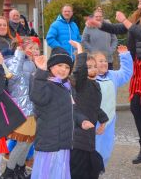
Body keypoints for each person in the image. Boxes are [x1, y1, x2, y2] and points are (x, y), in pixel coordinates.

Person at [86, 0, 141, 173]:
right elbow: (119, 29)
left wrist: (125, 20)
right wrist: (98, 24)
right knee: (135, 106)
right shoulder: (139, 15)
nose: (140, 0)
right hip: (139, 64)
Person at [28, 47, 93, 179]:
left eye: (67, 67)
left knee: (59, 174)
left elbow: (72, 109)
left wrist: (82, 120)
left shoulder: (66, 87)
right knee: (46, 174)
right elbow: (38, 97)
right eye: (59, 65)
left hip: (64, 143)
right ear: (50, 67)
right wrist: (40, 71)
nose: (63, 69)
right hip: (49, 144)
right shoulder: (46, 84)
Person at [68, 41, 108, 179]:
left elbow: (95, 106)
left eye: (95, 66)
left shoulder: (95, 85)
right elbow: (79, 71)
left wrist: (103, 121)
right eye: (89, 67)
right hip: (77, 136)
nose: (93, 69)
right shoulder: (80, 84)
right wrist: (80, 50)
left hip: (88, 136)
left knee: (90, 171)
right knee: (80, 172)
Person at [1, 37, 39, 179]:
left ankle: (19, 169)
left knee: (28, 143)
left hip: (32, 108)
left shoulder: (31, 63)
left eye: (36, 48)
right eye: (32, 48)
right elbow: (13, 76)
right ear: (20, 47)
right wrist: (19, 53)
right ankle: (9, 172)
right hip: (21, 109)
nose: (35, 51)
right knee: (22, 143)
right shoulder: (11, 61)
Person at [94, 45, 133, 168]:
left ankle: (99, 170)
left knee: (106, 150)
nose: (104, 63)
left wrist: (125, 56)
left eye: (105, 60)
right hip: (94, 122)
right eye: (100, 61)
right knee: (93, 151)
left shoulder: (112, 75)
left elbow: (126, 73)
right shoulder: (89, 79)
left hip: (109, 121)